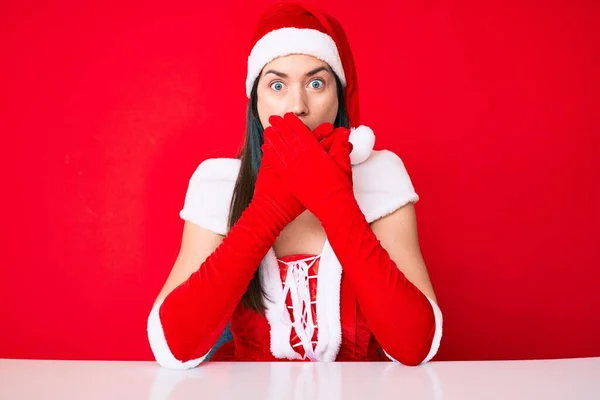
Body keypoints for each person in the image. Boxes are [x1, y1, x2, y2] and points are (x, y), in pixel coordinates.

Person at [147, 1, 443, 369]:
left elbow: (417, 345)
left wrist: (335, 202)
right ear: (255, 101)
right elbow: (172, 347)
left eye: (317, 83)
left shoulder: (381, 175)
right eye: (277, 85)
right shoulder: (218, 183)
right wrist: (267, 212)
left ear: (340, 96)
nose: (297, 106)